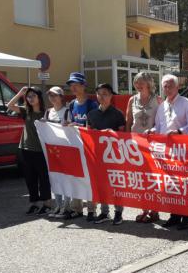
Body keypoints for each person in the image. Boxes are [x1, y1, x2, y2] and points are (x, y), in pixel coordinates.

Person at [148, 74, 188, 230]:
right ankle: (174, 215)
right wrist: (153, 131)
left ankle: (187, 217)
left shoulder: (186, 103)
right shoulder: (162, 106)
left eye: (170, 86)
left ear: (177, 87)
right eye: (165, 86)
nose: (167, 89)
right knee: (171, 185)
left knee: (184, 184)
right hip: (166, 152)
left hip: (182, 150)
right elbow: (160, 126)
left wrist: (180, 132)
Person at [86, 83, 127, 225]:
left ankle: (118, 213)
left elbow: (123, 136)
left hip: (114, 156)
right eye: (99, 94)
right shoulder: (91, 114)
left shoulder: (118, 114)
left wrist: (110, 133)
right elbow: (87, 134)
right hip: (97, 155)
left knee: (116, 185)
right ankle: (104, 212)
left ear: (111, 96)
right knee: (101, 185)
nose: (101, 97)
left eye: (105, 94)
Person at [7, 86, 51, 215]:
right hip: (25, 149)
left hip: (40, 151)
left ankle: (47, 203)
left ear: (39, 98)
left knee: (43, 178)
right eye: (29, 96)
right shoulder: (26, 111)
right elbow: (10, 105)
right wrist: (20, 93)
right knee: (30, 178)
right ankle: (34, 204)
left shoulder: (46, 113)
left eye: (33, 96)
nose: (31, 99)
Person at [126, 72, 161, 224]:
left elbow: (161, 122)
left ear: (149, 84)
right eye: (136, 83)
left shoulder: (158, 100)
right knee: (140, 179)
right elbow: (128, 121)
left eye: (141, 83)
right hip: (136, 145)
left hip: (152, 145)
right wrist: (126, 141)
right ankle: (144, 209)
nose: (138, 86)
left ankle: (155, 210)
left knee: (153, 178)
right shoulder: (132, 100)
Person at [65, 72, 98, 218]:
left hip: (89, 147)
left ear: (84, 86)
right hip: (75, 147)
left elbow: (93, 126)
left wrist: (76, 125)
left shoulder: (92, 104)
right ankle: (76, 209)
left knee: (90, 179)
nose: (73, 88)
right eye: (71, 85)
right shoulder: (72, 104)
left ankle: (91, 210)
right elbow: (70, 122)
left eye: (76, 85)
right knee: (76, 177)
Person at [44, 86, 75, 220]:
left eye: (55, 95)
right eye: (50, 95)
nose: (52, 98)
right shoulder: (47, 112)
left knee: (66, 178)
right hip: (51, 150)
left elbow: (73, 128)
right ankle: (57, 205)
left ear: (61, 97)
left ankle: (66, 206)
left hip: (65, 150)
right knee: (55, 178)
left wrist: (70, 125)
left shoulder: (67, 111)